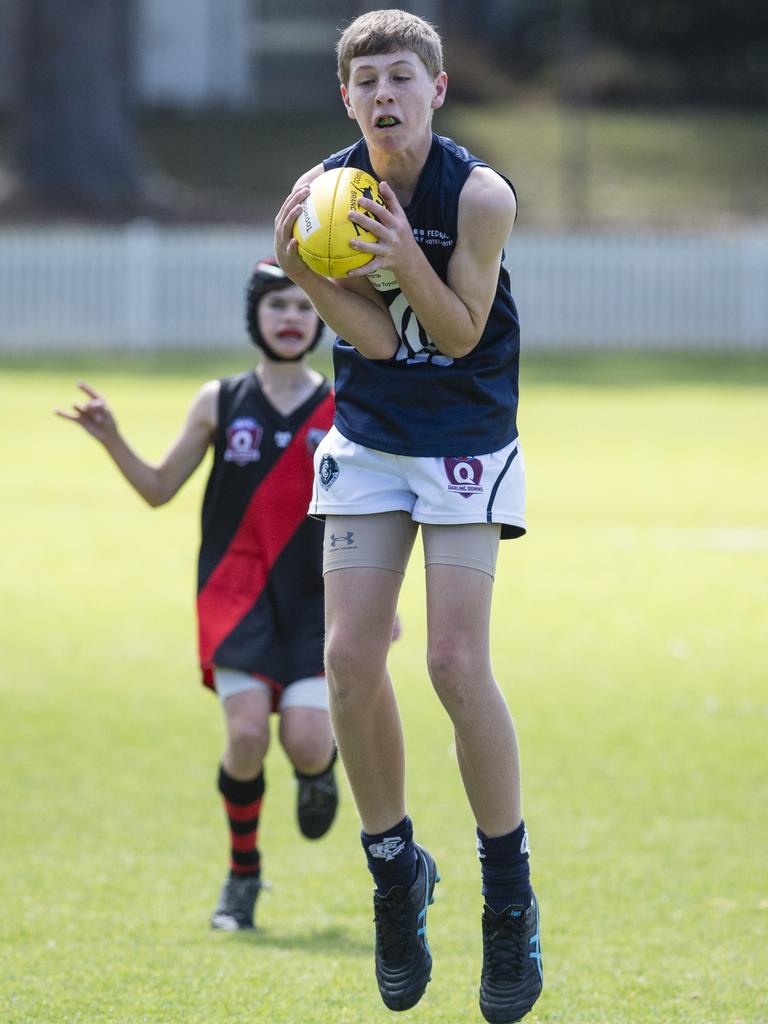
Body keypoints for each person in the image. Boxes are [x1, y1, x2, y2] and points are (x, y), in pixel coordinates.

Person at [274, 8, 543, 1022]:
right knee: (346, 658)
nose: (385, 95)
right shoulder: (326, 194)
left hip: (469, 437)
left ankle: (508, 896)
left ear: (437, 90)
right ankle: (395, 872)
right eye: (367, 81)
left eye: (403, 77)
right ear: (347, 98)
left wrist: (402, 249)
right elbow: (379, 350)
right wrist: (301, 263)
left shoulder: (479, 195)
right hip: (374, 438)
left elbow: (460, 332)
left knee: (452, 664)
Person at [55, 260, 340, 932]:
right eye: (278, 307)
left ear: (321, 319)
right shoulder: (220, 400)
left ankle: (318, 770)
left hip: (316, 597)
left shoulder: (343, 406)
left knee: (303, 741)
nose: (292, 319)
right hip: (234, 592)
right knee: (244, 734)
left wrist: (378, 605)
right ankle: (243, 877)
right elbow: (158, 489)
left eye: (304, 307)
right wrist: (111, 436)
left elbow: (374, 510)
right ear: (256, 319)